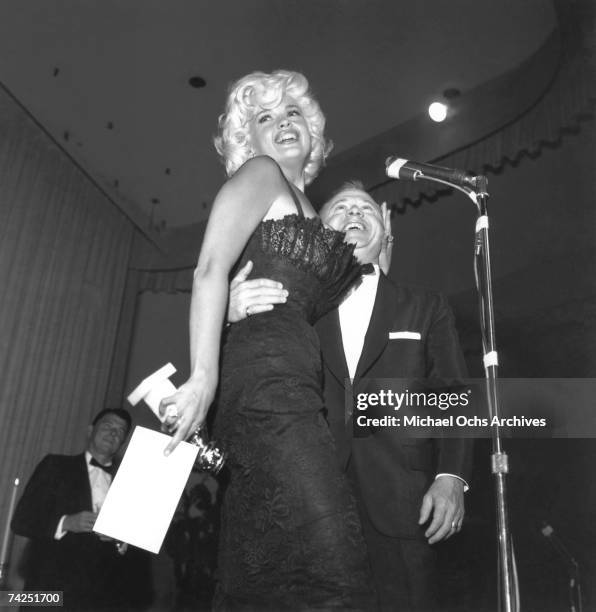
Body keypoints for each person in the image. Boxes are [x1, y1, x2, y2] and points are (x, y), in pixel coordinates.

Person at [159, 71, 372, 609]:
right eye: (265, 118)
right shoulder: (262, 173)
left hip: (298, 386)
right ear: (244, 141)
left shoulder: (307, 209)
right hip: (263, 384)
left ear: (315, 132)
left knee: (272, 568)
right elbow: (209, 268)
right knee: (335, 569)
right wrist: (202, 380)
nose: (282, 123)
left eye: (292, 114)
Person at [229, 181, 472, 611]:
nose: (355, 213)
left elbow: (453, 397)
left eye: (366, 209)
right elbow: (249, 382)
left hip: (403, 505)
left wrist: (451, 477)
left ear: (385, 233)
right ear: (317, 231)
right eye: (340, 208)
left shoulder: (426, 306)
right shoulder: (292, 305)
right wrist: (230, 317)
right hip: (308, 502)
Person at [11, 407, 152, 611]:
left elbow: (142, 549)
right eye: (108, 425)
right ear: (90, 431)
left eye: (120, 431)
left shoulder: (132, 485)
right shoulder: (55, 466)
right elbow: (22, 520)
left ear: (122, 443)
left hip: (104, 598)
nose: (114, 432)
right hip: (50, 592)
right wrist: (66, 522)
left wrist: (122, 540)